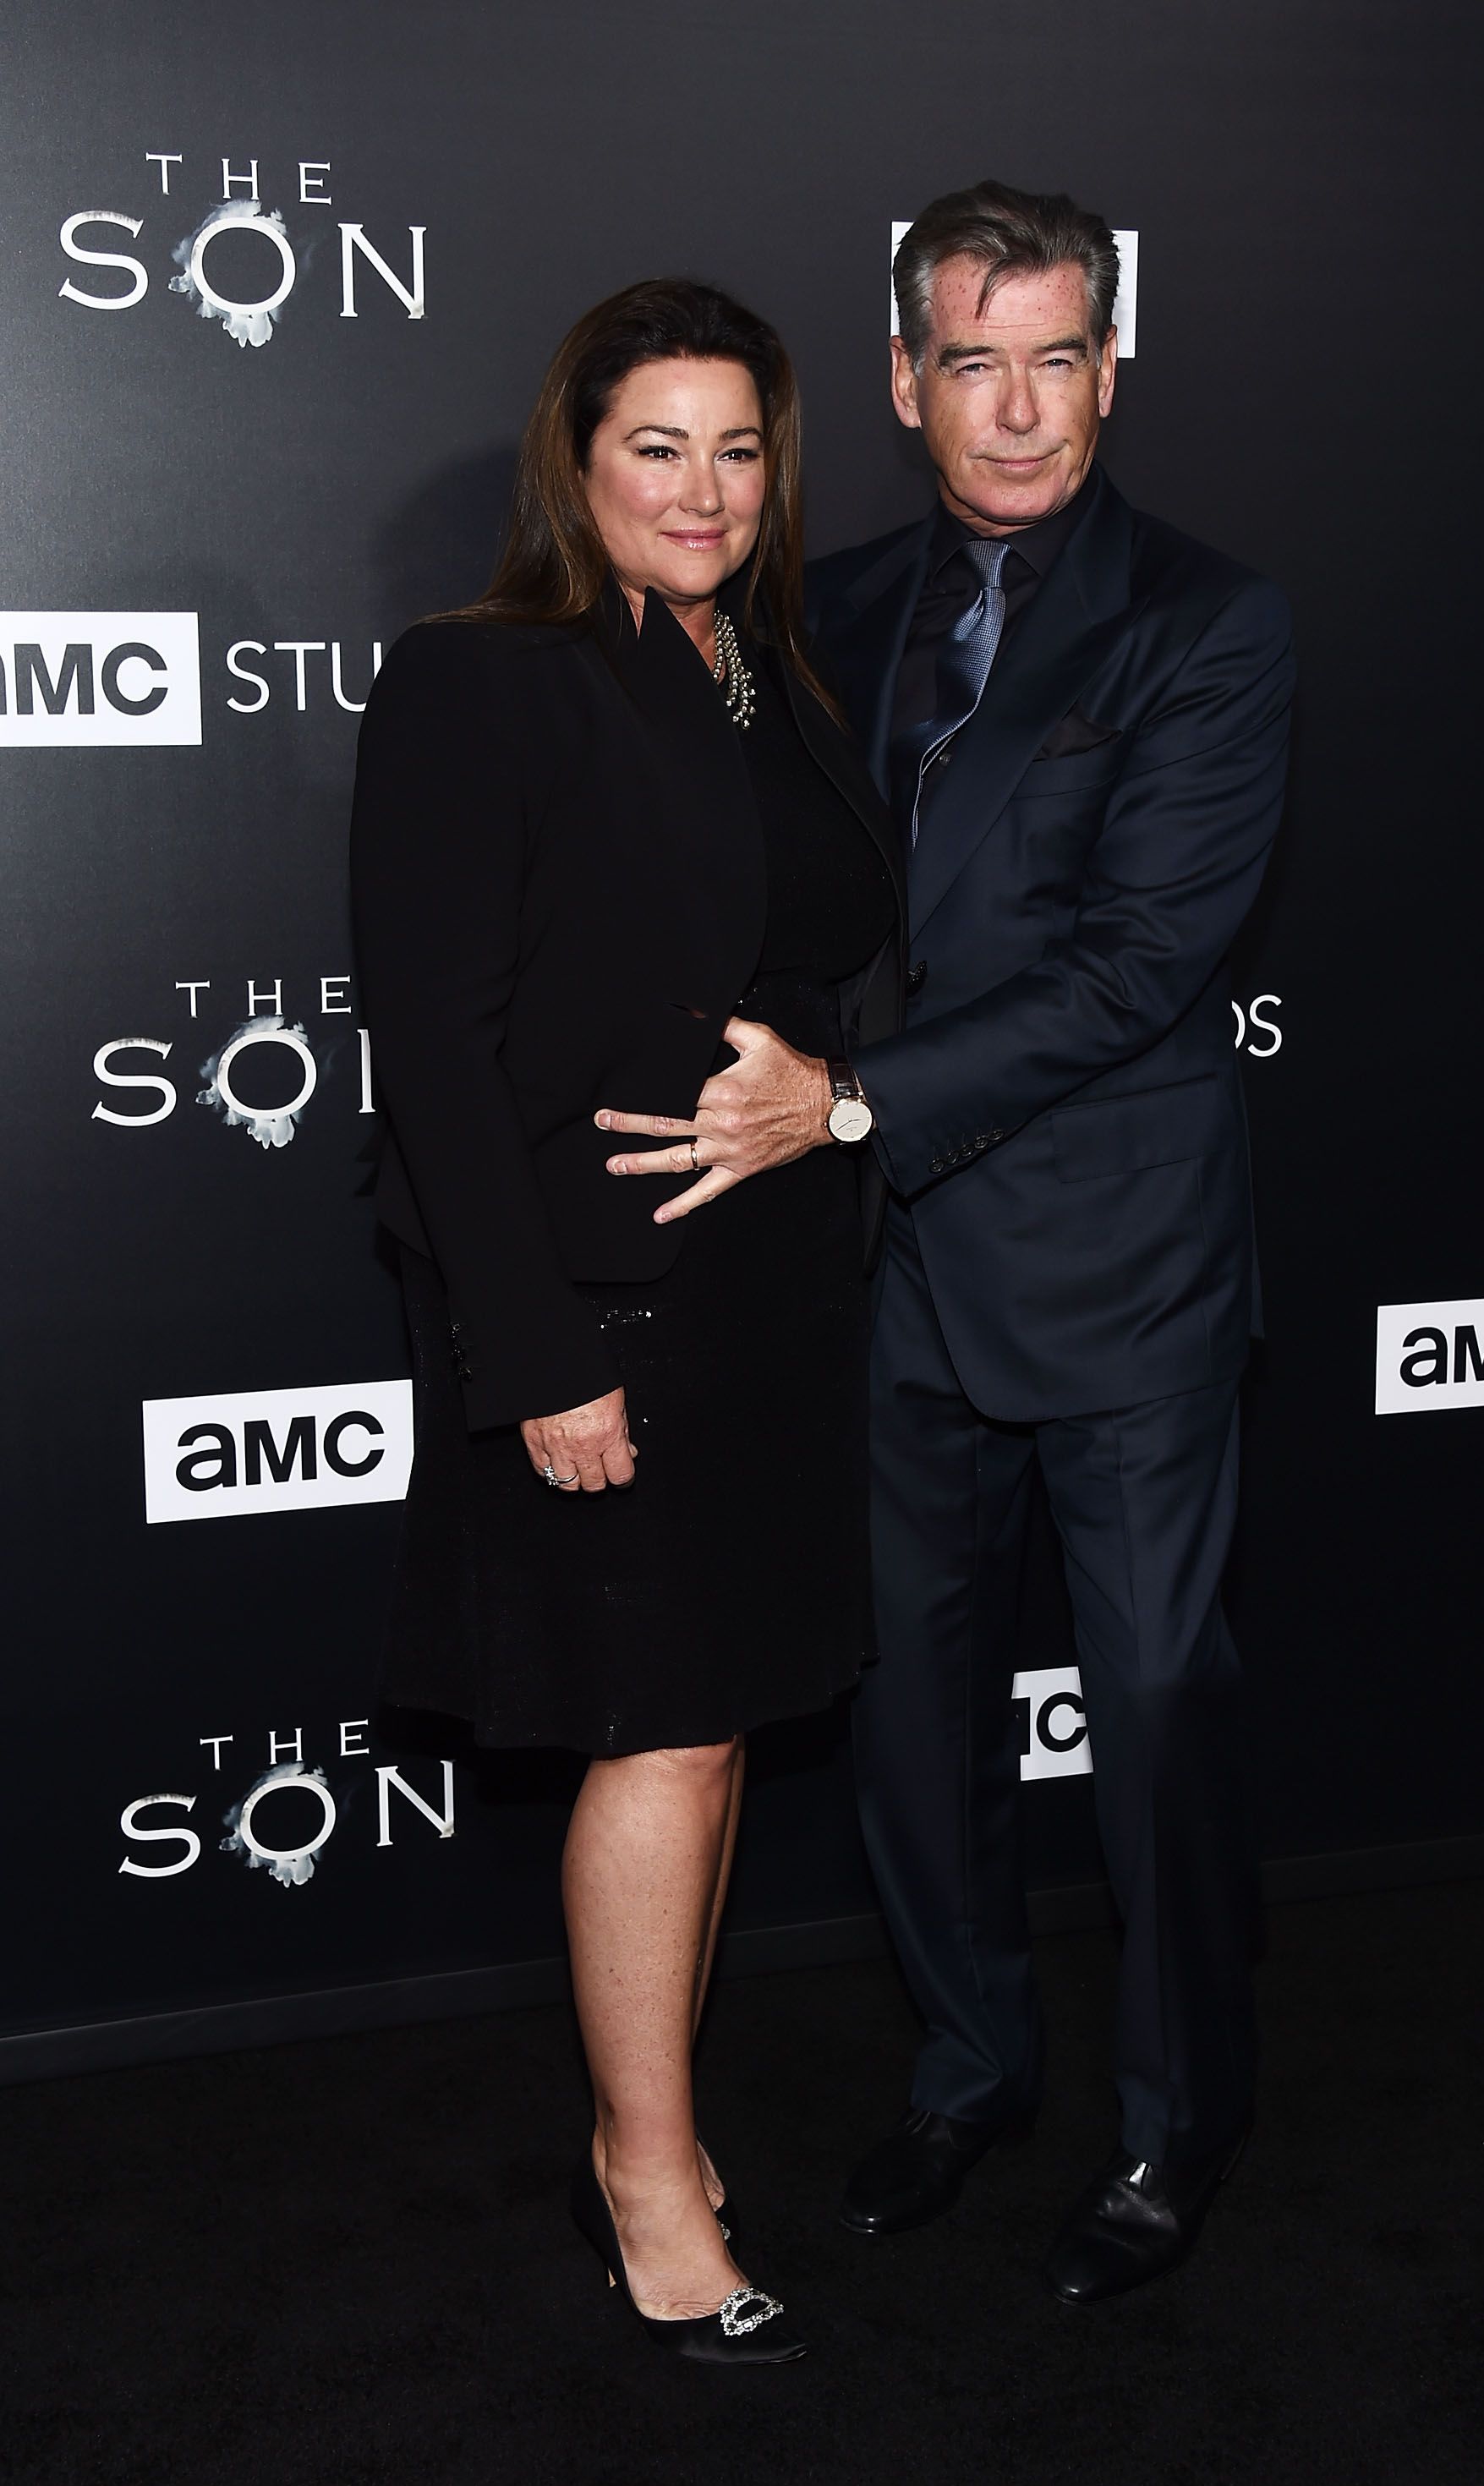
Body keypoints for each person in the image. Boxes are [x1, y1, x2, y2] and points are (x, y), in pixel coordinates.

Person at [604, 183, 1293, 2303]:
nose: (1016, 408)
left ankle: (1174, 2126)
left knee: (1156, 1706)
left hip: (1118, 1270)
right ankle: (972, 2064)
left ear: (1110, 369)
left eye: (1056, 356)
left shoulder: (1204, 616)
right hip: (875, 1275)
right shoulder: (825, 599)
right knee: (910, 1711)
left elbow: (1138, 963)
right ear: (902, 380)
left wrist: (847, 1102)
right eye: (970, 360)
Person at [349, 277, 902, 2363]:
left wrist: (822, 1110)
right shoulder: (482, 680)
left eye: (738, 447)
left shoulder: (775, 679)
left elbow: (825, 973)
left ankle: (655, 2124)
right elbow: (432, 1041)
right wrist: (540, 1354)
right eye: (655, 445)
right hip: (606, 1296)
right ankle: (644, 2172)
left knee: (725, 1716)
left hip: (774, 1277)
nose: (702, 487)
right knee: (659, 1734)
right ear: (576, 465)